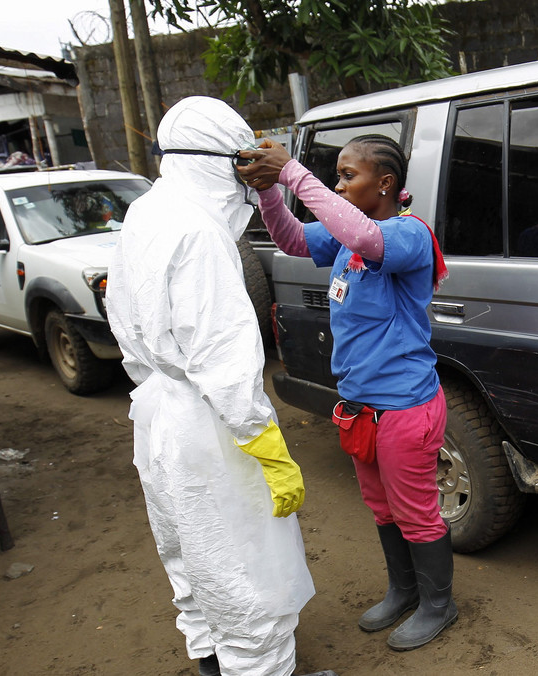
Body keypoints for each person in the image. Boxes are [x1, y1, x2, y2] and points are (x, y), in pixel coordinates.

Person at [104, 97, 332, 676]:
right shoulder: (200, 234)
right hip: (209, 425)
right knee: (249, 567)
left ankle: (211, 664)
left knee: (192, 551)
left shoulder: (147, 212)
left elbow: (123, 315)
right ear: (221, 163)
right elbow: (224, 361)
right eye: (242, 165)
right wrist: (266, 444)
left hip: (158, 412)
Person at [237, 134, 455, 652]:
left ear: (385, 184)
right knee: (382, 508)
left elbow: (363, 234)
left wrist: (292, 172)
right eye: (335, 175)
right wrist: (270, 190)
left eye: (347, 176)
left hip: (405, 408)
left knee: (415, 510)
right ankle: (403, 591)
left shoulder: (406, 236)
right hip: (361, 409)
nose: (337, 184)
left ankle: (438, 604)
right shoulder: (347, 239)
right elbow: (292, 240)